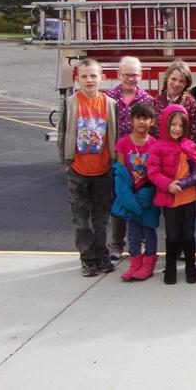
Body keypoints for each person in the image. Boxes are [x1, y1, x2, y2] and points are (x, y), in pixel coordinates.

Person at [58, 59, 118, 277]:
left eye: (93, 76)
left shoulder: (110, 104)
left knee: (101, 218)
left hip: (103, 170)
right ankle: (87, 258)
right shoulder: (71, 103)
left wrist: (114, 162)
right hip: (78, 171)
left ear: (102, 78)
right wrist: (66, 162)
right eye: (84, 76)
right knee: (81, 219)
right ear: (77, 79)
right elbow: (63, 132)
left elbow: (115, 134)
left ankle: (102, 256)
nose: (89, 80)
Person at [148, 104, 196, 285]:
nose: (177, 129)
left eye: (180, 125)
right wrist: (168, 184)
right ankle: (170, 268)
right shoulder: (158, 147)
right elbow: (153, 172)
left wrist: (184, 183)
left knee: (188, 233)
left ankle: (191, 267)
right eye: (173, 125)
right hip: (170, 198)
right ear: (165, 124)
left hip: (189, 197)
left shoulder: (190, 146)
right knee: (172, 235)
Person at [106, 56, 154, 260]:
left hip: (142, 161)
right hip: (118, 158)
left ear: (141, 75)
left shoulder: (148, 101)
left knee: (141, 201)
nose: (130, 79)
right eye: (126, 75)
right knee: (119, 199)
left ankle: (139, 243)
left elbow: (155, 133)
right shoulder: (108, 99)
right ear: (118, 75)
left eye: (134, 75)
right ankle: (116, 244)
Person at [114, 102, 161, 282]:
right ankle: (134, 264)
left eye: (146, 118)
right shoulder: (123, 144)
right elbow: (120, 171)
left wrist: (147, 193)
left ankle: (148, 265)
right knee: (133, 233)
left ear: (152, 122)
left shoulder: (155, 145)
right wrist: (127, 195)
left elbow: (156, 172)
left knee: (149, 231)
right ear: (131, 120)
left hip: (148, 195)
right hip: (130, 195)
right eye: (138, 118)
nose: (142, 122)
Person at [152, 59, 196, 141]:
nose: (177, 84)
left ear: (186, 84)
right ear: (167, 78)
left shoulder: (191, 104)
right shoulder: (156, 102)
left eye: (181, 81)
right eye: (173, 79)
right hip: (159, 150)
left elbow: (192, 135)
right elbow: (151, 130)